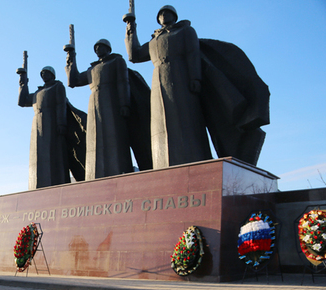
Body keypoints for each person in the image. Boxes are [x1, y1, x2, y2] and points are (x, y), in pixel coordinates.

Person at [124, 5, 212, 169]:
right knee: (160, 124)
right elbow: (134, 55)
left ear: (175, 16)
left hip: (180, 77)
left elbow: (193, 53)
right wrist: (131, 28)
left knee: (185, 118)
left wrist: (195, 78)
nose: (164, 15)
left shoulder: (185, 31)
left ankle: (192, 159)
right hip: (158, 83)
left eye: (167, 13)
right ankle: (162, 164)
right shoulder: (155, 39)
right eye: (161, 14)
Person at [66, 39, 133, 180]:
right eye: (96, 48)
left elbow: (123, 82)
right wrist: (71, 58)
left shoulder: (116, 61)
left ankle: (118, 169)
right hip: (95, 105)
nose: (98, 50)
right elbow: (75, 80)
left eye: (101, 47)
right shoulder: (92, 69)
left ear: (108, 48)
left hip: (112, 102)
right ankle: (96, 173)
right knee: (95, 138)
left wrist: (125, 104)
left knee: (114, 136)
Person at [18, 66, 70, 189]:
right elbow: (22, 101)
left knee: (53, 155)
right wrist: (23, 84)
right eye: (42, 74)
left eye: (47, 73)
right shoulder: (38, 92)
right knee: (39, 158)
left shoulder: (57, 86)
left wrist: (61, 123)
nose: (44, 75)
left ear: (53, 75)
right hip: (37, 126)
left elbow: (61, 105)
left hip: (52, 124)